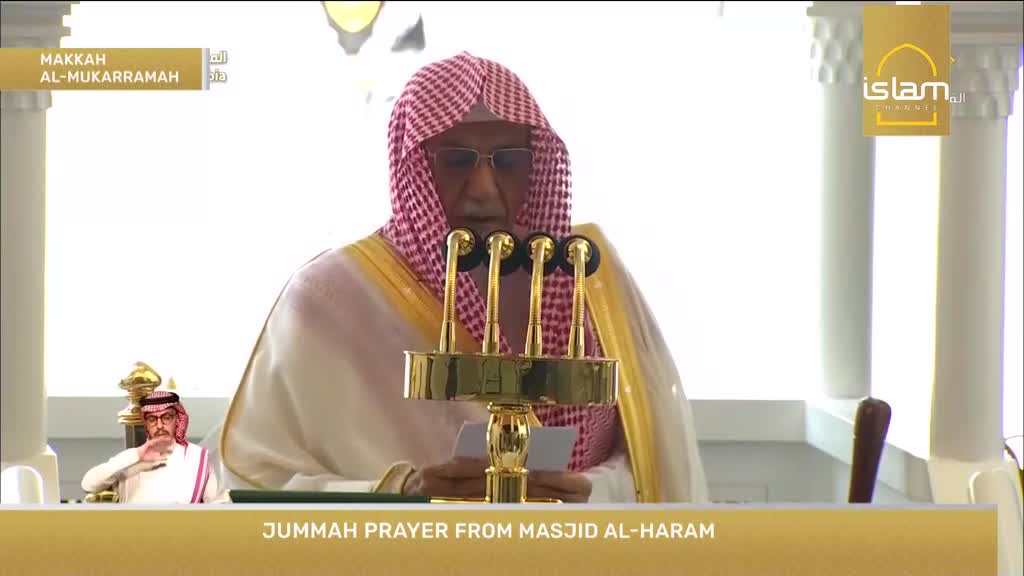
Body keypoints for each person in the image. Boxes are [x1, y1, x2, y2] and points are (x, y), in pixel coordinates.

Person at [218, 51, 707, 503]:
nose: (483, 188)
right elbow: (250, 474)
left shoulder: (586, 271)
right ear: (412, 168)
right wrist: (401, 493)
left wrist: (591, 492)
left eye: (509, 161)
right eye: (457, 160)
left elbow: (654, 453)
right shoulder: (332, 296)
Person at [81, 390, 224, 503]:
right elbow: (88, 485)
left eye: (166, 417)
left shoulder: (198, 457)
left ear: (177, 420)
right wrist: (137, 455)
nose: (160, 425)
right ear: (146, 424)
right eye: (152, 419)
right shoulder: (130, 457)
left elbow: (218, 506)